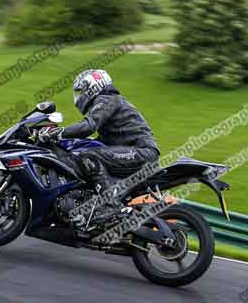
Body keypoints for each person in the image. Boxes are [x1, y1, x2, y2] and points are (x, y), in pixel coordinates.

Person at [38, 69, 160, 229]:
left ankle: (110, 205)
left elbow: (89, 126)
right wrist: (70, 142)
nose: (78, 96)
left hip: (142, 151)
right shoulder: (111, 102)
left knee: (89, 157)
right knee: (87, 153)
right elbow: (103, 141)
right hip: (136, 151)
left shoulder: (107, 99)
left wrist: (59, 132)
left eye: (81, 91)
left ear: (93, 86)